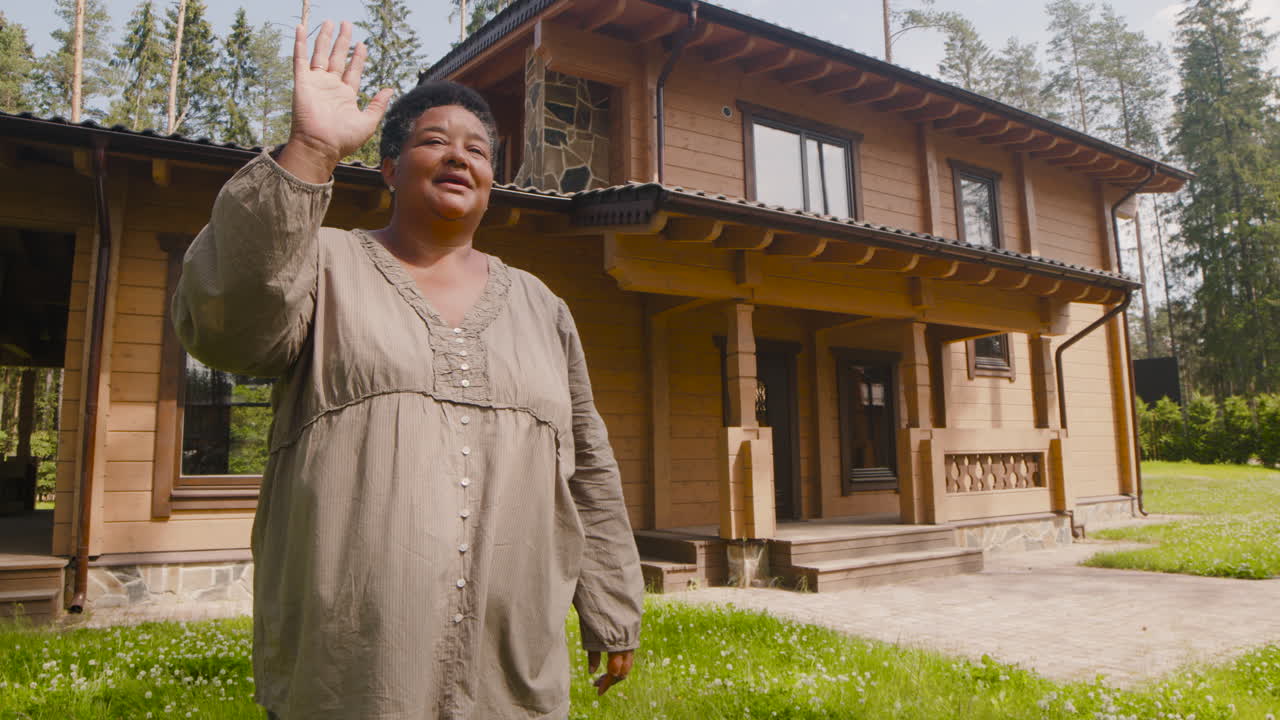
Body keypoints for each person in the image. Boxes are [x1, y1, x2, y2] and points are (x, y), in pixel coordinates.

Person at [171, 20, 644, 720]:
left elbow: (589, 467)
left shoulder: (544, 309)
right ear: (390, 168)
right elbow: (227, 329)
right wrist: (310, 150)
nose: (459, 156)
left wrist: (611, 603)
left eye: (478, 149)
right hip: (353, 671)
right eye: (433, 141)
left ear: (492, 179)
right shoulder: (324, 265)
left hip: (511, 664)